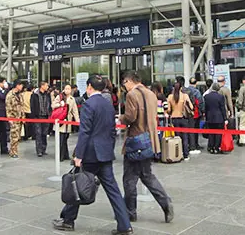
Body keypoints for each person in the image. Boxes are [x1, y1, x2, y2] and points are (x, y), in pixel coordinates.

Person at [53, 75, 133, 235]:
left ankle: (68, 220)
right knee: (113, 190)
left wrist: (79, 155)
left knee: (77, 183)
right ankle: (125, 225)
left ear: (89, 86)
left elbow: (85, 132)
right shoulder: (108, 104)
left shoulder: (89, 104)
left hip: (90, 154)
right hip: (105, 153)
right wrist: (108, 149)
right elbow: (112, 131)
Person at [121, 70, 173, 224]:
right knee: (147, 176)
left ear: (129, 81)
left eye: (124, 83)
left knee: (129, 180)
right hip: (149, 140)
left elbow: (131, 117)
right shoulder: (151, 93)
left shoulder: (131, 95)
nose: (124, 87)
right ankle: (166, 202)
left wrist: (121, 117)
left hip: (135, 141)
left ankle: (130, 212)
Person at [52, 84, 80, 162]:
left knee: (65, 138)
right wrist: (60, 104)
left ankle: (65, 154)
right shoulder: (59, 97)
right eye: (66, 88)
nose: (67, 90)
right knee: (61, 139)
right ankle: (60, 156)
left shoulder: (72, 99)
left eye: (69, 89)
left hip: (68, 120)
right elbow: (53, 105)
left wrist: (77, 120)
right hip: (60, 120)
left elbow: (75, 111)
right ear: (63, 89)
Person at [167, 81, 192, 161]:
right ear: (181, 88)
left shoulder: (170, 97)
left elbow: (168, 109)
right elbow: (191, 107)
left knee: (177, 137)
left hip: (174, 119)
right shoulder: (185, 96)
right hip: (183, 118)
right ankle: (185, 154)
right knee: (185, 137)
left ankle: (178, 154)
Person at [204, 83, 228, 154]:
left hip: (210, 117)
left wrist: (206, 117)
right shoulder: (220, 97)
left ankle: (211, 147)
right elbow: (222, 108)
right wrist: (225, 118)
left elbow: (205, 108)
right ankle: (216, 148)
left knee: (211, 133)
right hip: (219, 117)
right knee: (218, 133)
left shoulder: (206, 96)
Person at [31, 81, 51, 157]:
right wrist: (34, 116)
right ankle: (39, 150)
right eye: (46, 85)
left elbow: (49, 104)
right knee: (38, 133)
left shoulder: (47, 95)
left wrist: (49, 113)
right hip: (38, 116)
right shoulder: (35, 95)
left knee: (44, 133)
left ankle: (43, 148)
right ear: (42, 86)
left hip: (46, 116)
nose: (47, 87)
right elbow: (32, 106)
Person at [5, 80, 25, 159]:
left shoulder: (20, 95)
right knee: (14, 136)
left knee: (18, 136)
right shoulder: (10, 95)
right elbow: (8, 108)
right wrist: (10, 118)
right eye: (21, 85)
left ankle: (14, 150)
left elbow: (22, 106)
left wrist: (23, 117)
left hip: (19, 118)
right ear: (17, 85)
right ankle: (13, 151)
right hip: (13, 118)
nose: (22, 87)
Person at [187, 77, 204, 153]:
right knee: (195, 129)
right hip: (196, 113)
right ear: (196, 83)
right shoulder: (197, 92)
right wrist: (202, 111)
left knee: (190, 130)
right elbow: (200, 102)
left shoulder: (185, 90)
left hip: (187, 113)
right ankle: (195, 144)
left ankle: (190, 144)